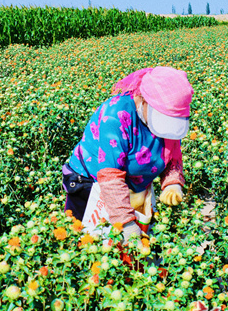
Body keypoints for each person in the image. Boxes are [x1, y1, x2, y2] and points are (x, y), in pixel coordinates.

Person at [63, 66, 193, 242]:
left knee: (133, 248)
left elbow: (172, 156)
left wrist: (173, 183)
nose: (167, 125)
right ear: (143, 99)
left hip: (135, 187)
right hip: (92, 185)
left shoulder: (169, 119)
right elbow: (110, 175)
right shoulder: (116, 115)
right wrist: (126, 223)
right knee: (89, 243)